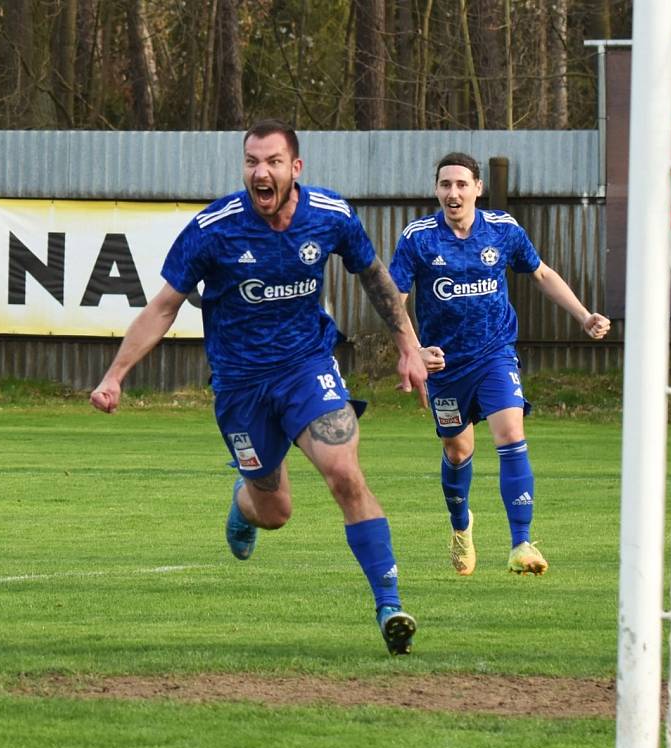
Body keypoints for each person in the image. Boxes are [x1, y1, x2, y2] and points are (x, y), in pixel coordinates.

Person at [90, 119, 427, 655]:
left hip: (306, 365)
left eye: (272, 161)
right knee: (275, 512)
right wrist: (114, 376)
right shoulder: (214, 229)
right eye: (251, 162)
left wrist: (408, 344)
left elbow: (374, 276)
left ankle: (389, 605)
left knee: (343, 472)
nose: (260, 172)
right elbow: (163, 307)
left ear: (296, 168)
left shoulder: (331, 216)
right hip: (240, 383)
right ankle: (243, 503)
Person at [388, 152, 610, 577]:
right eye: (445, 185)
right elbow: (393, 300)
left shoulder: (503, 230)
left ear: (477, 189)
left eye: (461, 184)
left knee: (511, 433)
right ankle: (460, 526)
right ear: (436, 190)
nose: (453, 193)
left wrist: (583, 316)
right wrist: (413, 350)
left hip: (495, 355)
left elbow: (541, 274)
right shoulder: (418, 238)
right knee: (458, 451)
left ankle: (521, 542)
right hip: (445, 367)